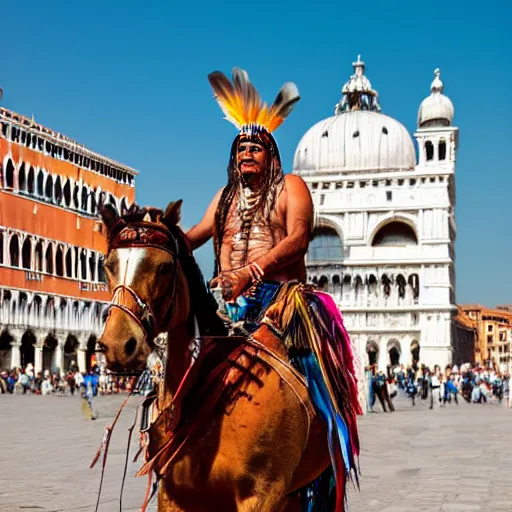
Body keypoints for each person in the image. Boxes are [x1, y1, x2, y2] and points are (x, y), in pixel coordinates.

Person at [185, 68, 361, 509]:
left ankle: (327, 448)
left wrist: (253, 272)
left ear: (271, 154)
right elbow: (193, 237)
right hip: (226, 308)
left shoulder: (290, 188)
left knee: (318, 379)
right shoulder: (224, 197)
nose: (247, 152)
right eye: (241, 146)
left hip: (281, 302)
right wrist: (152, 237)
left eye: (256, 147)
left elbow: (299, 238)